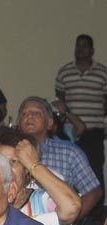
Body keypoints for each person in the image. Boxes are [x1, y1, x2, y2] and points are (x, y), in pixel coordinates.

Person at [17, 96, 101, 221]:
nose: (29, 116)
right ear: (19, 123)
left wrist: (71, 220)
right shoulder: (10, 151)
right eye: (24, 113)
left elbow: (94, 191)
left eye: (36, 113)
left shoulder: (69, 153)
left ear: (49, 123)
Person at [56, 34, 107, 198]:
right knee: (71, 172)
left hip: (94, 132)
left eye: (84, 46)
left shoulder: (103, 73)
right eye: (78, 45)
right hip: (71, 133)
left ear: (92, 50)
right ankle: (75, 205)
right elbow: (61, 101)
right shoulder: (64, 72)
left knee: (95, 171)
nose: (80, 49)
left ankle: (96, 210)